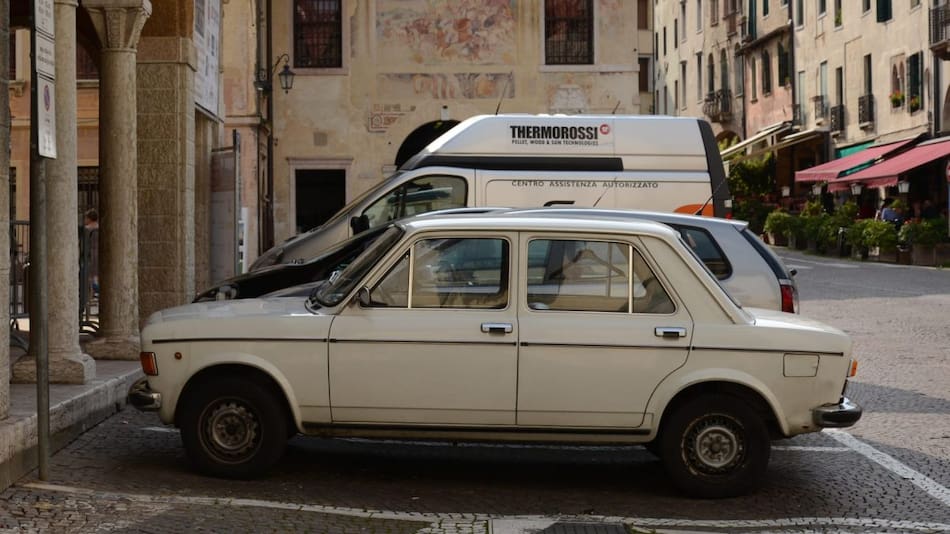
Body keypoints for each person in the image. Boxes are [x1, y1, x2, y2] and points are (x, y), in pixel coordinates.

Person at [83, 208, 100, 298]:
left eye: (86, 218)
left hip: (90, 253)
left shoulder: (87, 229)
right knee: (96, 274)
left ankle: (91, 293)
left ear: (89, 218)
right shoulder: (99, 227)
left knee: (90, 275)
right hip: (99, 252)